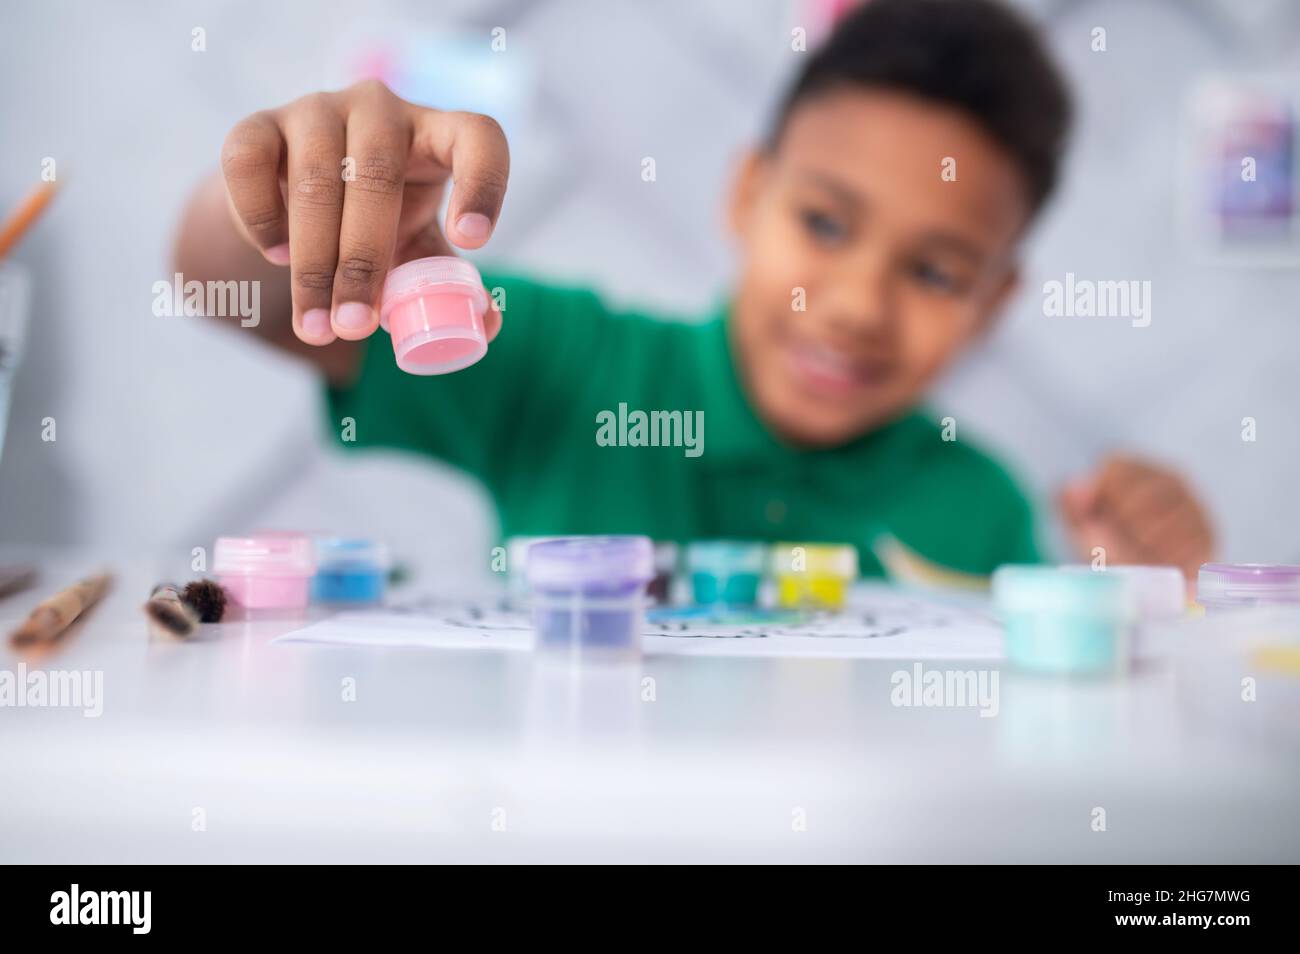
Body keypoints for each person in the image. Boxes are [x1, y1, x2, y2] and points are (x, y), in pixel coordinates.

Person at [174, 0, 1214, 580]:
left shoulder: (978, 506)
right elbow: (222, 284)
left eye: (936, 271)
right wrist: (283, 202)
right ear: (746, 193)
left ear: (993, 304)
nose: (854, 305)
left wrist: (1144, 603)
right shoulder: (562, 364)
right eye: (824, 223)